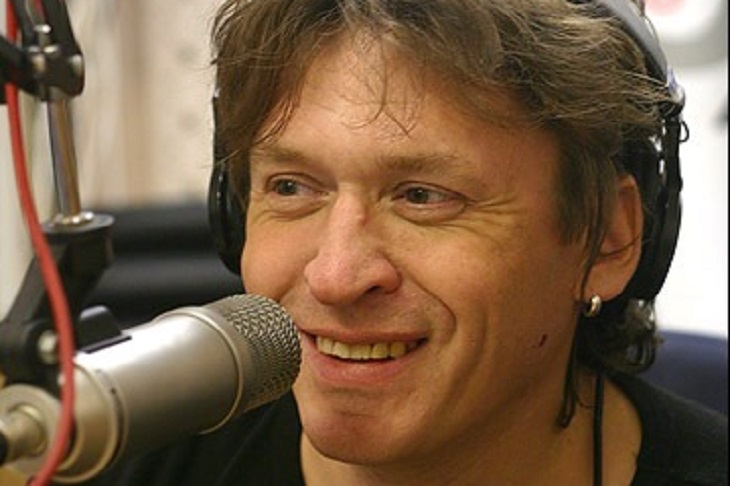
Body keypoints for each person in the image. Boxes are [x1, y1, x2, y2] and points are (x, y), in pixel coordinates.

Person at [79, 0, 727, 485]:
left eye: (423, 196)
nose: (336, 275)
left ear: (608, 240)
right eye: (292, 187)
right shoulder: (125, 464)